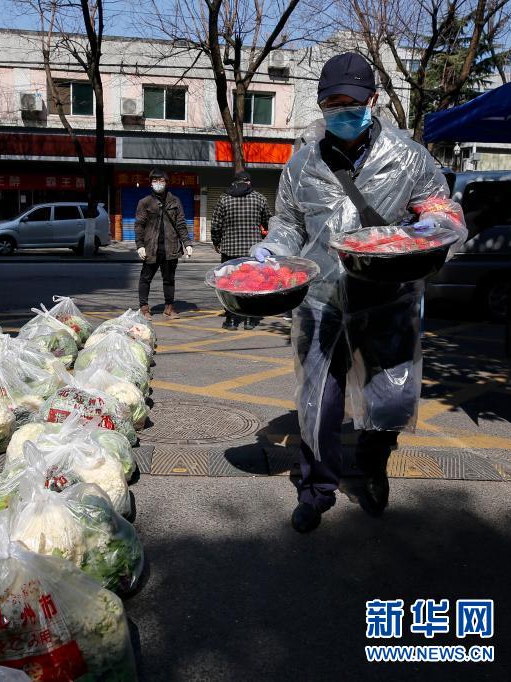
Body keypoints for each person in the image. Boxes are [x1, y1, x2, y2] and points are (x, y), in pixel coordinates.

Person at [251, 52, 467, 533]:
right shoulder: (303, 163)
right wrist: (270, 250)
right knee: (317, 402)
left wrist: (437, 224)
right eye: (333, 103)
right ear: (322, 106)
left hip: (386, 297)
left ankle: (372, 468)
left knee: (388, 398)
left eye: (352, 101)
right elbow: (288, 223)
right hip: (321, 300)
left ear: (373, 100)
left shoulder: (409, 157)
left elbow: (438, 205)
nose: (343, 111)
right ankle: (317, 489)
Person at [211, 171, 272, 330]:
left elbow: (216, 225)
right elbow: (269, 222)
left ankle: (231, 319)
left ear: (234, 182)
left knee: (229, 284)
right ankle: (249, 319)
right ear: (249, 183)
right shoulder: (259, 198)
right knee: (252, 284)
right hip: (252, 252)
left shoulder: (224, 199)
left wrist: (216, 242)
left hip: (229, 251)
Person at [135, 169, 193, 320]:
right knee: (145, 278)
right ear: (151, 183)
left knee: (169, 279)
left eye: (161, 181)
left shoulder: (175, 201)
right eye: (155, 181)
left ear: (167, 182)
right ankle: (144, 308)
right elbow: (139, 225)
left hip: (170, 247)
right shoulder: (145, 202)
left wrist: (187, 243)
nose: (158, 183)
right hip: (151, 248)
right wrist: (140, 245)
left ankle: (169, 307)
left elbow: (180, 224)